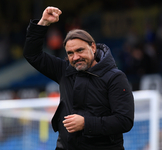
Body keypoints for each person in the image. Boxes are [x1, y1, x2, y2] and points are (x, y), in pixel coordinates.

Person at [24, 6, 134, 150]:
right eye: (70, 53)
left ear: (93, 47)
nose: (75, 57)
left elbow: (124, 121)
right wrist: (43, 22)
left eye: (80, 50)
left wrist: (86, 123)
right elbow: (32, 54)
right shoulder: (64, 70)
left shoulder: (115, 77)